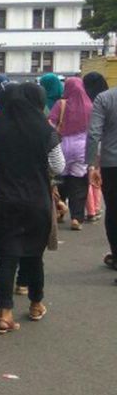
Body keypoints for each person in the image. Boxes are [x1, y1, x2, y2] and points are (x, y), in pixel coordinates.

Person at [0, 84, 64, 331]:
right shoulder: (45, 130)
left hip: (5, 198)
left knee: (8, 256)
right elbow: (58, 166)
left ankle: (5, 313)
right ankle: (36, 304)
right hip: (37, 200)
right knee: (34, 255)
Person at [48, 77, 92, 231]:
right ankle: (76, 218)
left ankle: (59, 211)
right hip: (82, 146)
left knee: (60, 179)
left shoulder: (61, 104)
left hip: (62, 145)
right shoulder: (89, 104)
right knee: (79, 183)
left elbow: (50, 124)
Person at [87, 76, 117, 270]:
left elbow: (94, 134)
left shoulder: (105, 98)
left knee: (113, 211)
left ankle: (116, 255)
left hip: (111, 163)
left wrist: (91, 164)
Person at [83, 72, 108, 223]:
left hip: (88, 143)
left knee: (87, 178)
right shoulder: (107, 99)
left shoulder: (84, 102)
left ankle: (90, 210)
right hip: (105, 145)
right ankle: (97, 208)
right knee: (98, 178)